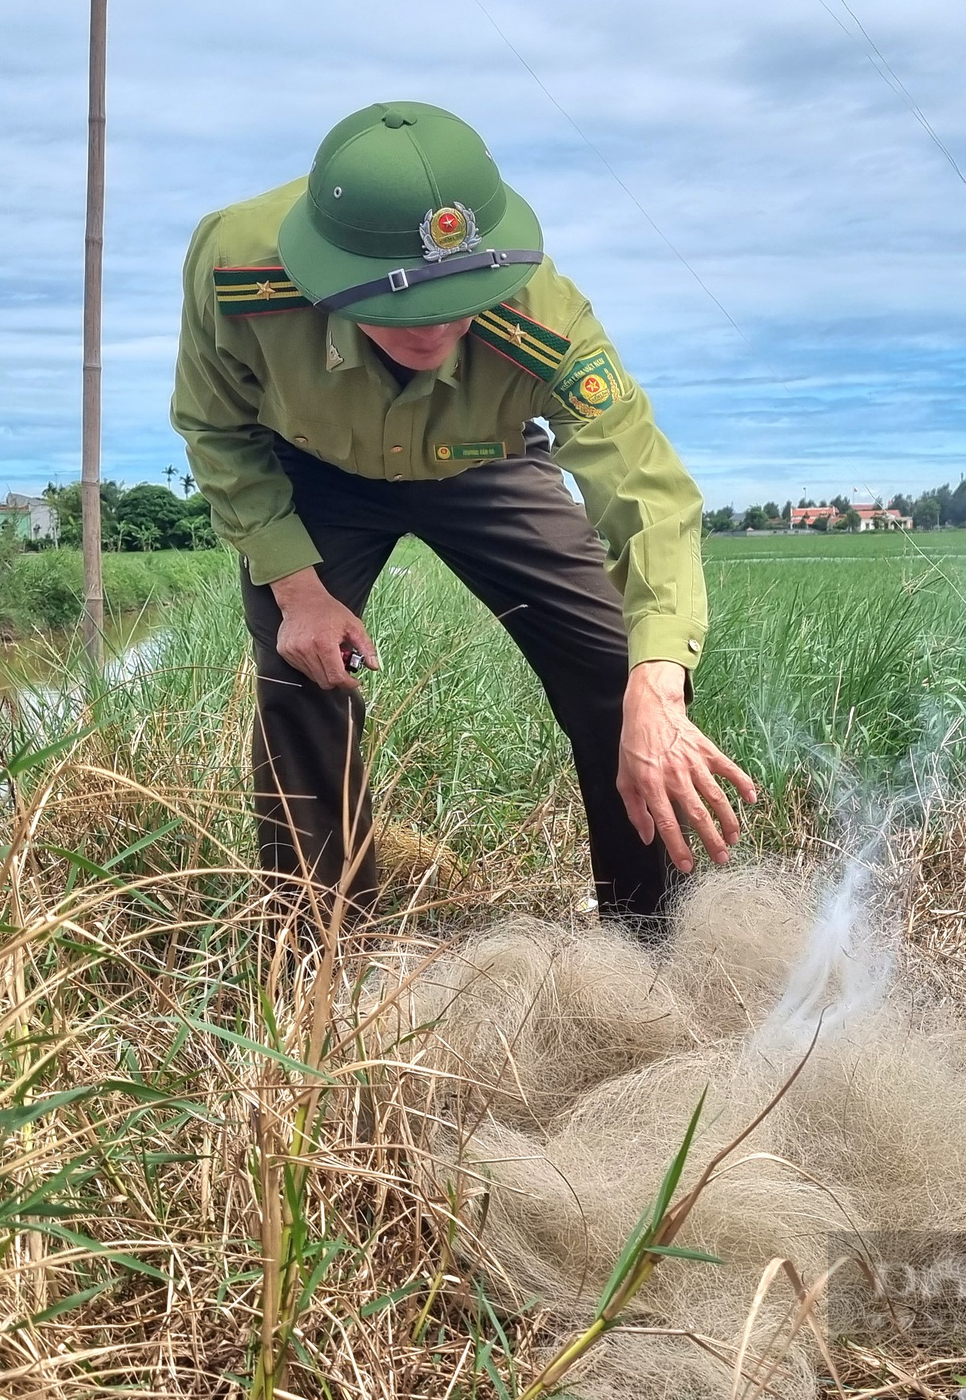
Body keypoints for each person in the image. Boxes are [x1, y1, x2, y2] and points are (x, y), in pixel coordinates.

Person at [172, 100, 753, 926]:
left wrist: (658, 684)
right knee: (298, 673)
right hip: (312, 470)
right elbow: (214, 426)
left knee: (611, 664)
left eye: (463, 293)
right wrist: (298, 590)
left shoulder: (546, 319)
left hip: (481, 458)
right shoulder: (234, 266)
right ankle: (318, 960)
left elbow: (645, 489)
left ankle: (652, 944)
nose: (438, 323)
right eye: (403, 302)